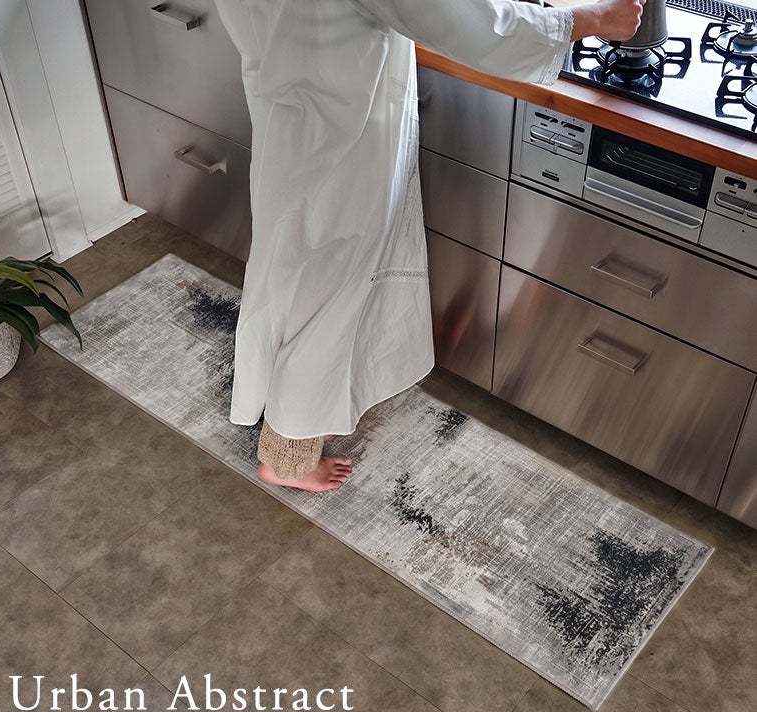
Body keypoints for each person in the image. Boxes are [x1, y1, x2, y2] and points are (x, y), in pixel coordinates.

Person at [213, 0, 646, 493]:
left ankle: (294, 419)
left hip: (288, 109)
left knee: (295, 277)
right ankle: (287, 458)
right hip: (344, 134)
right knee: (328, 301)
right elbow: (466, 23)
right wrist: (588, 20)